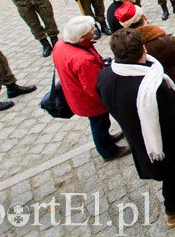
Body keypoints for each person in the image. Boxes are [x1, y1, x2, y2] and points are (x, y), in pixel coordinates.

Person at [96, 29, 175, 228]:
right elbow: (174, 122)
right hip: (158, 140)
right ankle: (174, 210)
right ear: (143, 48)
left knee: (174, 170)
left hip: (135, 133)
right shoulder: (152, 87)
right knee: (169, 170)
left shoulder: (105, 76)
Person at [52, 16, 130, 161]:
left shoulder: (61, 44)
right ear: (81, 37)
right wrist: (109, 99)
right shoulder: (83, 60)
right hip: (89, 101)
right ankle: (108, 151)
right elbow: (94, 86)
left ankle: (106, 139)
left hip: (75, 92)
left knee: (101, 123)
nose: (94, 30)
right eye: (90, 30)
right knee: (99, 123)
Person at [116, 1, 175, 99]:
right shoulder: (162, 40)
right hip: (174, 85)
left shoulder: (123, 46)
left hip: (148, 94)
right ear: (144, 17)